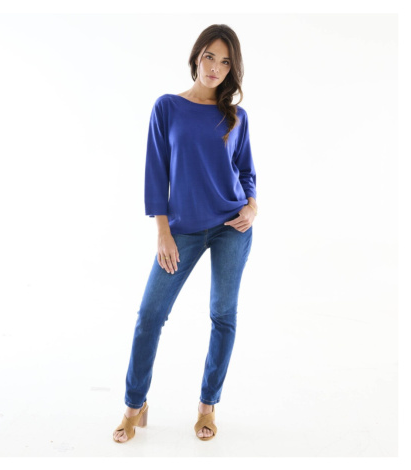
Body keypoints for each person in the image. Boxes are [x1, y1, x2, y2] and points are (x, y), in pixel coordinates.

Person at [113, 24, 258, 443]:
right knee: (150, 316)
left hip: (232, 227)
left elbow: (246, 171)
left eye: (225, 62)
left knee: (223, 315)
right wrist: (163, 232)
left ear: (231, 69)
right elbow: (155, 173)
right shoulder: (168, 107)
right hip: (182, 231)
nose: (215, 67)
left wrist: (252, 206)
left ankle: (207, 406)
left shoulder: (236, 116)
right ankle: (134, 405)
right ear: (196, 57)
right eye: (209, 56)